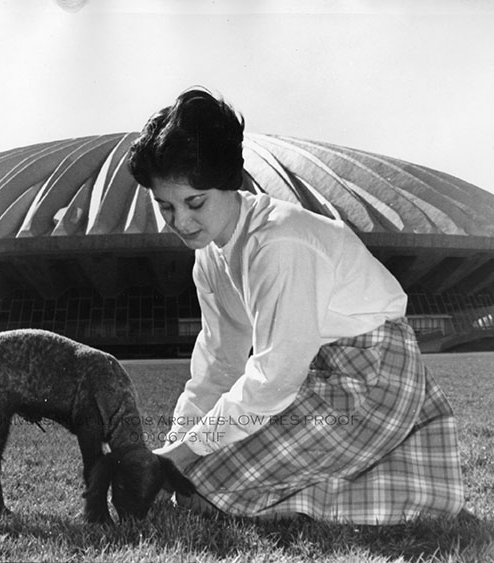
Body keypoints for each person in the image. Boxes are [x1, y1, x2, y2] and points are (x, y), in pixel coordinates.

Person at [126, 87, 465, 524]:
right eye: (165, 207)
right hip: (311, 376)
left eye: (195, 202)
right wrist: (173, 450)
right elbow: (219, 364)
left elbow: (273, 379)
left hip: (373, 377)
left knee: (203, 491)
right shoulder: (209, 255)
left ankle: (410, 494)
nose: (181, 221)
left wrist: (180, 457)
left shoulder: (277, 242)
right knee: (190, 481)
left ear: (230, 183)